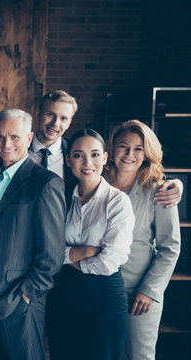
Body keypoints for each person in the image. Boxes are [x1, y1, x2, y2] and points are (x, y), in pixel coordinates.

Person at [0, 90, 183, 206]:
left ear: (70, 122)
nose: (55, 123)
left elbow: (123, 168)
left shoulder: (77, 155)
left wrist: (176, 184)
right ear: (38, 114)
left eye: (63, 118)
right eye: (50, 114)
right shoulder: (15, 150)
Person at [0, 108, 66, 360]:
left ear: (29, 139)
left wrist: (25, 295)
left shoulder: (45, 183)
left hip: (20, 301)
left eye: (14, 137)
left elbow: (51, 256)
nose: (6, 143)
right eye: (0, 136)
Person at [50, 129, 135, 360]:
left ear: (105, 158)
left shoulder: (118, 202)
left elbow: (110, 261)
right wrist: (85, 251)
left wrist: (69, 259)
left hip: (105, 297)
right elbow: (50, 252)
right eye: (78, 155)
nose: (88, 162)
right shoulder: (61, 198)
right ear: (68, 160)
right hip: (66, 293)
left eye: (95, 154)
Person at [106, 120, 180, 360]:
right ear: (112, 148)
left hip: (137, 293)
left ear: (147, 153)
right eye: (123, 146)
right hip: (98, 290)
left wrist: (149, 291)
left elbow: (170, 248)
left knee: (138, 356)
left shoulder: (159, 190)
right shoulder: (96, 184)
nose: (129, 154)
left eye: (138, 148)